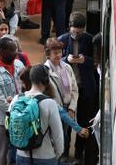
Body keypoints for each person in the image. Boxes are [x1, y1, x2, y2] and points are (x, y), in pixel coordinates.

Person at [58, 13, 99, 163]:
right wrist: (66, 59)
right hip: (67, 90)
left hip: (84, 87)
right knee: (66, 122)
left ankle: (78, 153)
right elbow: (54, 61)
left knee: (83, 121)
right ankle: (64, 151)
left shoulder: (90, 40)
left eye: (79, 32)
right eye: (74, 31)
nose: (76, 34)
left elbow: (96, 62)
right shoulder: (62, 40)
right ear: (69, 28)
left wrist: (85, 60)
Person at [10, 66, 65, 165]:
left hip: (21, 155)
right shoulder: (50, 103)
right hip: (45, 156)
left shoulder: (16, 99)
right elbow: (58, 134)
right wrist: (59, 152)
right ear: (46, 80)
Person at [0, 37, 26, 165]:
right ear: (1, 51)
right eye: (12, 50)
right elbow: (0, 101)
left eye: (16, 50)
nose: (16, 53)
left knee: (17, 148)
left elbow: (26, 86)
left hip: (19, 114)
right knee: (3, 149)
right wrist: (16, 110)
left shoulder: (18, 64)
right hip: (3, 117)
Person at [44, 39, 79, 157]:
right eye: (55, 53)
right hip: (55, 110)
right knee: (56, 137)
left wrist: (72, 108)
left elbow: (74, 89)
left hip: (68, 108)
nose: (59, 55)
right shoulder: (44, 72)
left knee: (65, 136)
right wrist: (61, 111)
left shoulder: (67, 67)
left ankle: (63, 158)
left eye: (60, 52)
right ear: (48, 54)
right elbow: (46, 95)